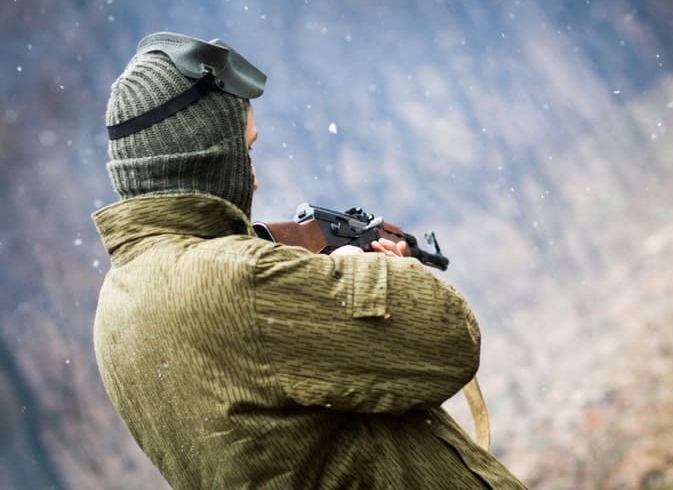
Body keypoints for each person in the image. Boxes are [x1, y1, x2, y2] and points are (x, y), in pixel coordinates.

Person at [92, 32, 526, 489]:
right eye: (248, 151)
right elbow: (449, 341)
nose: (254, 178)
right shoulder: (243, 280)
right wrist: (382, 270)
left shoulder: (117, 304)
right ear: (209, 158)